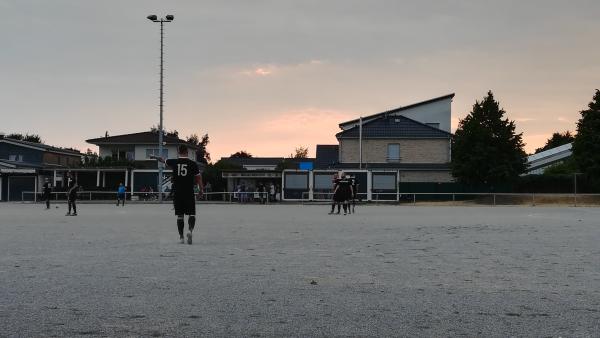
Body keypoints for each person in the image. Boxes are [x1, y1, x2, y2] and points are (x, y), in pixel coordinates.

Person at [152, 145, 203, 245]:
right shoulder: (193, 164)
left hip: (177, 192)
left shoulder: (174, 162)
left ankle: (181, 238)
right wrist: (201, 189)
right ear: (187, 152)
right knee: (192, 213)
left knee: (180, 215)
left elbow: (163, 160)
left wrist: (155, 157)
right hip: (189, 192)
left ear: (178, 152)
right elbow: (198, 178)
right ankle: (190, 231)